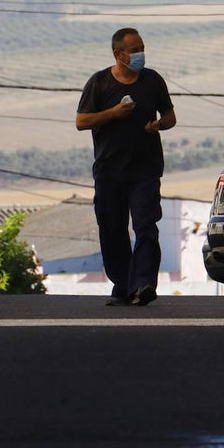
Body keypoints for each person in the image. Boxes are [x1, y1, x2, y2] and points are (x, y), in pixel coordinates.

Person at [75, 28, 176, 307]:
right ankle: (123, 285)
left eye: (142, 48)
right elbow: (81, 121)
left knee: (146, 225)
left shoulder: (152, 80)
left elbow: (170, 116)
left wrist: (158, 124)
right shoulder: (99, 83)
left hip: (145, 169)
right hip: (110, 172)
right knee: (112, 229)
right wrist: (112, 114)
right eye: (134, 50)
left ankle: (144, 283)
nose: (140, 54)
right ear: (118, 54)